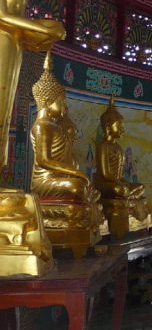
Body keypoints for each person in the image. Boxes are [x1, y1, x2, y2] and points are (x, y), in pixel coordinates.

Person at [0, 0, 65, 170]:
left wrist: (40, 36)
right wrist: (37, 26)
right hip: (2, 40)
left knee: (6, 110)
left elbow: (15, 19)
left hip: (13, 43)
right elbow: (2, 15)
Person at [30, 52, 105, 255]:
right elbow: (44, 160)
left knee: (86, 188)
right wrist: (77, 174)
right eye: (61, 101)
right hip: (44, 181)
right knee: (77, 186)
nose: (65, 106)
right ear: (47, 101)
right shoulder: (42, 126)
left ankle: (87, 222)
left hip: (60, 178)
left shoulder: (57, 125)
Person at [94, 96, 152, 236]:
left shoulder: (118, 148)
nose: (122, 130)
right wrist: (121, 184)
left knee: (140, 187)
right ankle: (127, 196)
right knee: (120, 189)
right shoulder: (103, 147)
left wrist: (124, 183)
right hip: (106, 184)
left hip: (119, 184)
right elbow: (106, 174)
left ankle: (129, 197)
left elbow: (120, 174)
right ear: (108, 127)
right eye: (119, 126)